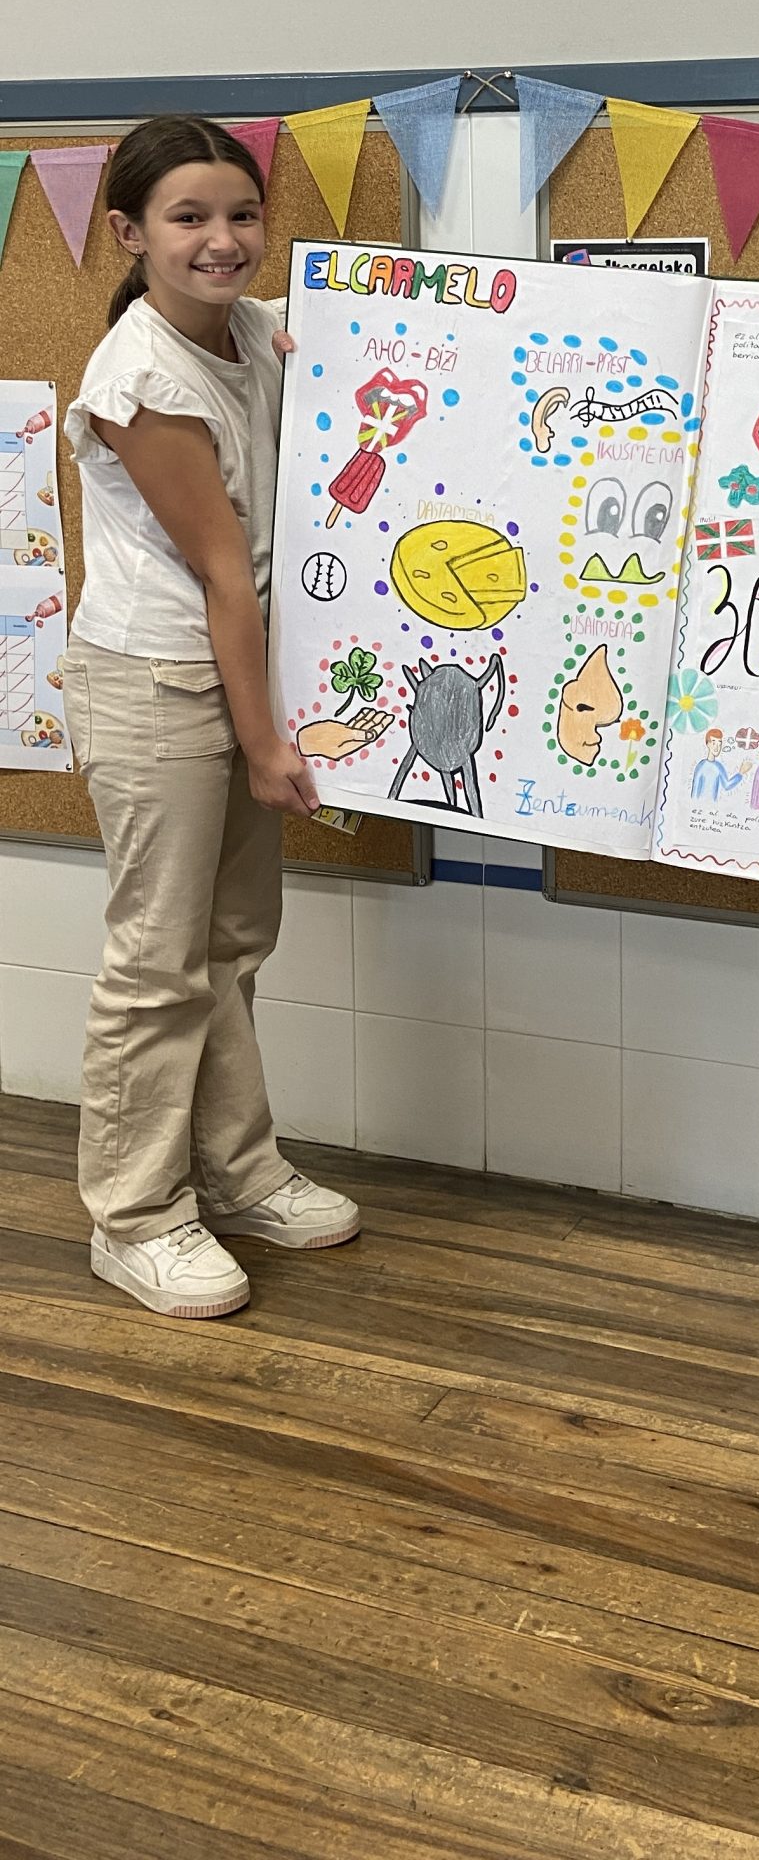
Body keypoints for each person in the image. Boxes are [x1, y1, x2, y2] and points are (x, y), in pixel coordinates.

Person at [64, 115, 361, 1321]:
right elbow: (225, 573)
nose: (222, 239)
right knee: (157, 964)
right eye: (188, 217)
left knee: (233, 942)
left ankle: (238, 1171)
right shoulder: (141, 380)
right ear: (129, 233)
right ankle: (134, 1217)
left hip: (238, 673)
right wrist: (266, 741)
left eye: (241, 213)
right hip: (157, 683)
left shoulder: (251, 331)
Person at [690, 725, 747, 803]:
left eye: (719, 744)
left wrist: (740, 773)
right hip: (698, 805)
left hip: (712, 805)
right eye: (714, 743)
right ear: (708, 744)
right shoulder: (701, 765)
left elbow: (726, 785)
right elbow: (695, 790)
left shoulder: (719, 766)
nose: (717, 748)